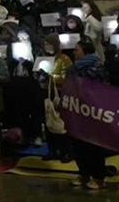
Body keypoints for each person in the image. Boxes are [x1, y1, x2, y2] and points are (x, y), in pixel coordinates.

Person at [68, 41, 110, 190]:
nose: (74, 52)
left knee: (93, 145)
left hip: (92, 111)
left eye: (77, 49)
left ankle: (98, 177)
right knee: (78, 144)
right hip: (76, 109)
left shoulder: (96, 67)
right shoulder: (74, 67)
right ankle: (83, 173)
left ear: (85, 51)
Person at [38, 33, 73, 163]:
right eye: (45, 44)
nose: (47, 47)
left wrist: (50, 77)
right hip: (46, 93)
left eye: (49, 44)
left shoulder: (64, 59)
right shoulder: (43, 59)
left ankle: (66, 151)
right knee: (48, 122)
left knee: (61, 123)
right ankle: (52, 149)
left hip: (60, 93)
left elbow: (66, 78)